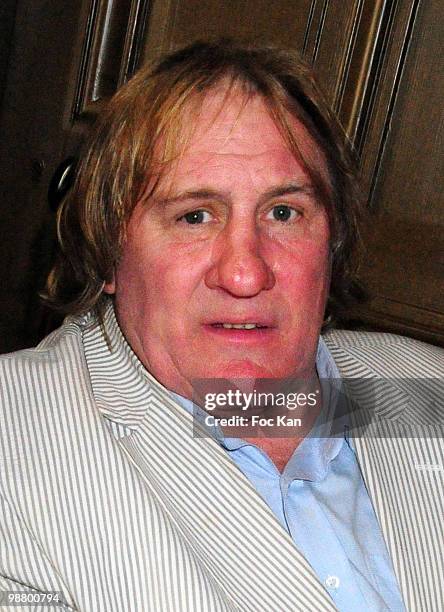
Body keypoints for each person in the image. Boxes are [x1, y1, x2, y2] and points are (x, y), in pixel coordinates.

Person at [0, 41, 442, 612]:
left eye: (284, 213)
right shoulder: (16, 441)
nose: (244, 272)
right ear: (109, 250)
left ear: (330, 242)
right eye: (194, 216)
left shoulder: (423, 385)